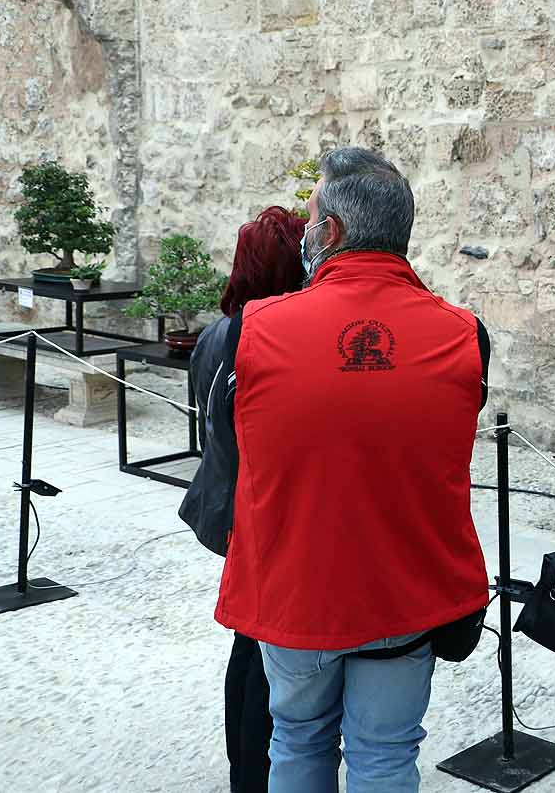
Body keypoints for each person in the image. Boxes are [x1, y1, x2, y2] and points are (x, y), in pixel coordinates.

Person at [206, 147, 491, 793]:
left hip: (297, 587)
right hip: (405, 592)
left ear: (328, 233)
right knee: (387, 754)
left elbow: (230, 448)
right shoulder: (464, 334)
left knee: (299, 742)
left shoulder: (253, 330)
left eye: (310, 218)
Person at [180, 204, 307, 793]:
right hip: (260, 512)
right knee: (263, 653)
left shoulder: (215, 333)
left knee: (250, 644)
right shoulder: (271, 339)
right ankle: (257, 774)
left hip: (227, 502)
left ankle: (249, 769)